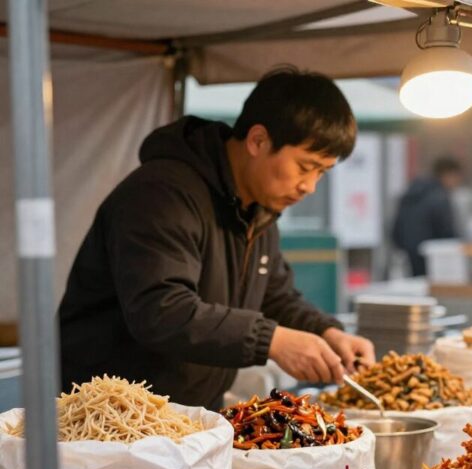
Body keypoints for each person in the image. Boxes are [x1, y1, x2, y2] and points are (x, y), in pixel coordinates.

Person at [58, 67, 374, 409]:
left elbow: (275, 298)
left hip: (187, 418)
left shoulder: (258, 210)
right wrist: (272, 341)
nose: (310, 186)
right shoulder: (161, 194)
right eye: (304, 166)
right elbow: (162, 310)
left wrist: (327, 332)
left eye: (321, 173)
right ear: (257, 140)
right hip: (110, 419)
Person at [392, 156, 463, 277]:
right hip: (432, 261)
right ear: (447, 174)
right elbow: (447, 233)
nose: (457, 182)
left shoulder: (412, 191)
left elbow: (396, 228)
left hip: (409, 257)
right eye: (456, 177)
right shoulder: (439, 197)